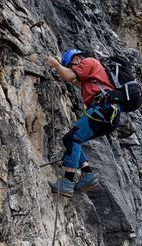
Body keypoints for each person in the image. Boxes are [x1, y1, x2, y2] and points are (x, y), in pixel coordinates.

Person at [46, 49, 121, 197]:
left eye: (72, 65)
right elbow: (72, 79)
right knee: (72, 139)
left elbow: (70, 75)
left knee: (73, 138)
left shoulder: (88, 62)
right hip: (108, 114)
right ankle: (87, 174)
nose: (73, 68)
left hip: (102, 109)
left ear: (77, 59)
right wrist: (60, 66)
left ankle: (68, 182)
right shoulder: (92, 77)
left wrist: (55, 64)